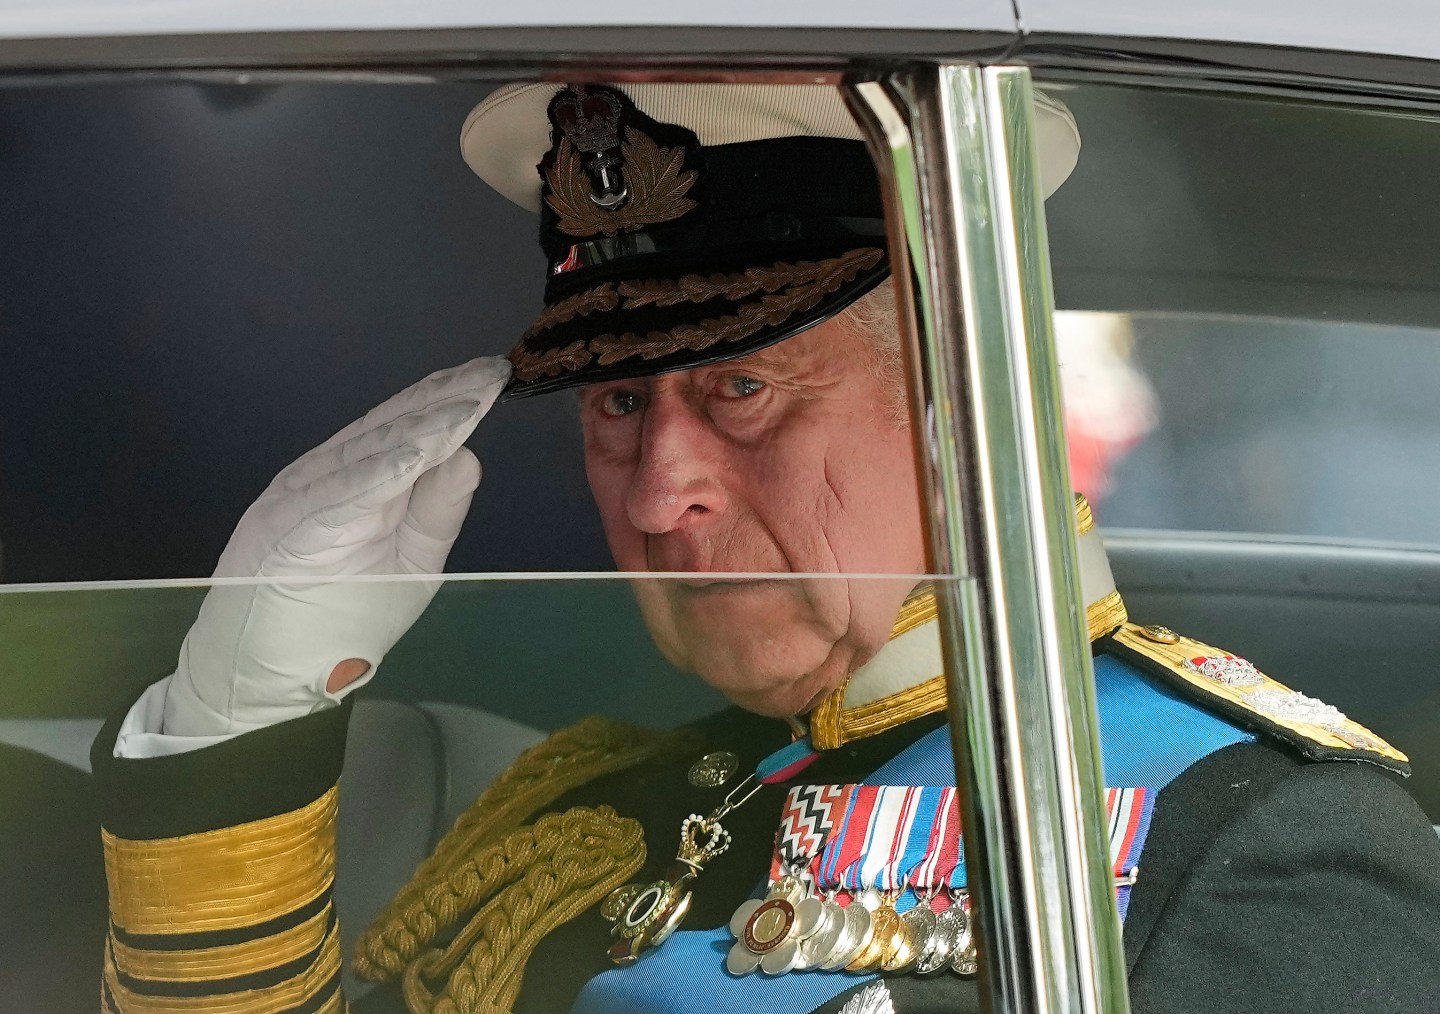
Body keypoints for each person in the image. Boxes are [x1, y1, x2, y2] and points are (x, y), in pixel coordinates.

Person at [93, 83, 1440, 1014]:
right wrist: (241, 724)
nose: (661, 488)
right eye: (622, 402)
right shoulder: (594, 817)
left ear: (959, 405)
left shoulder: (1247, 833)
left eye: (742, 388)